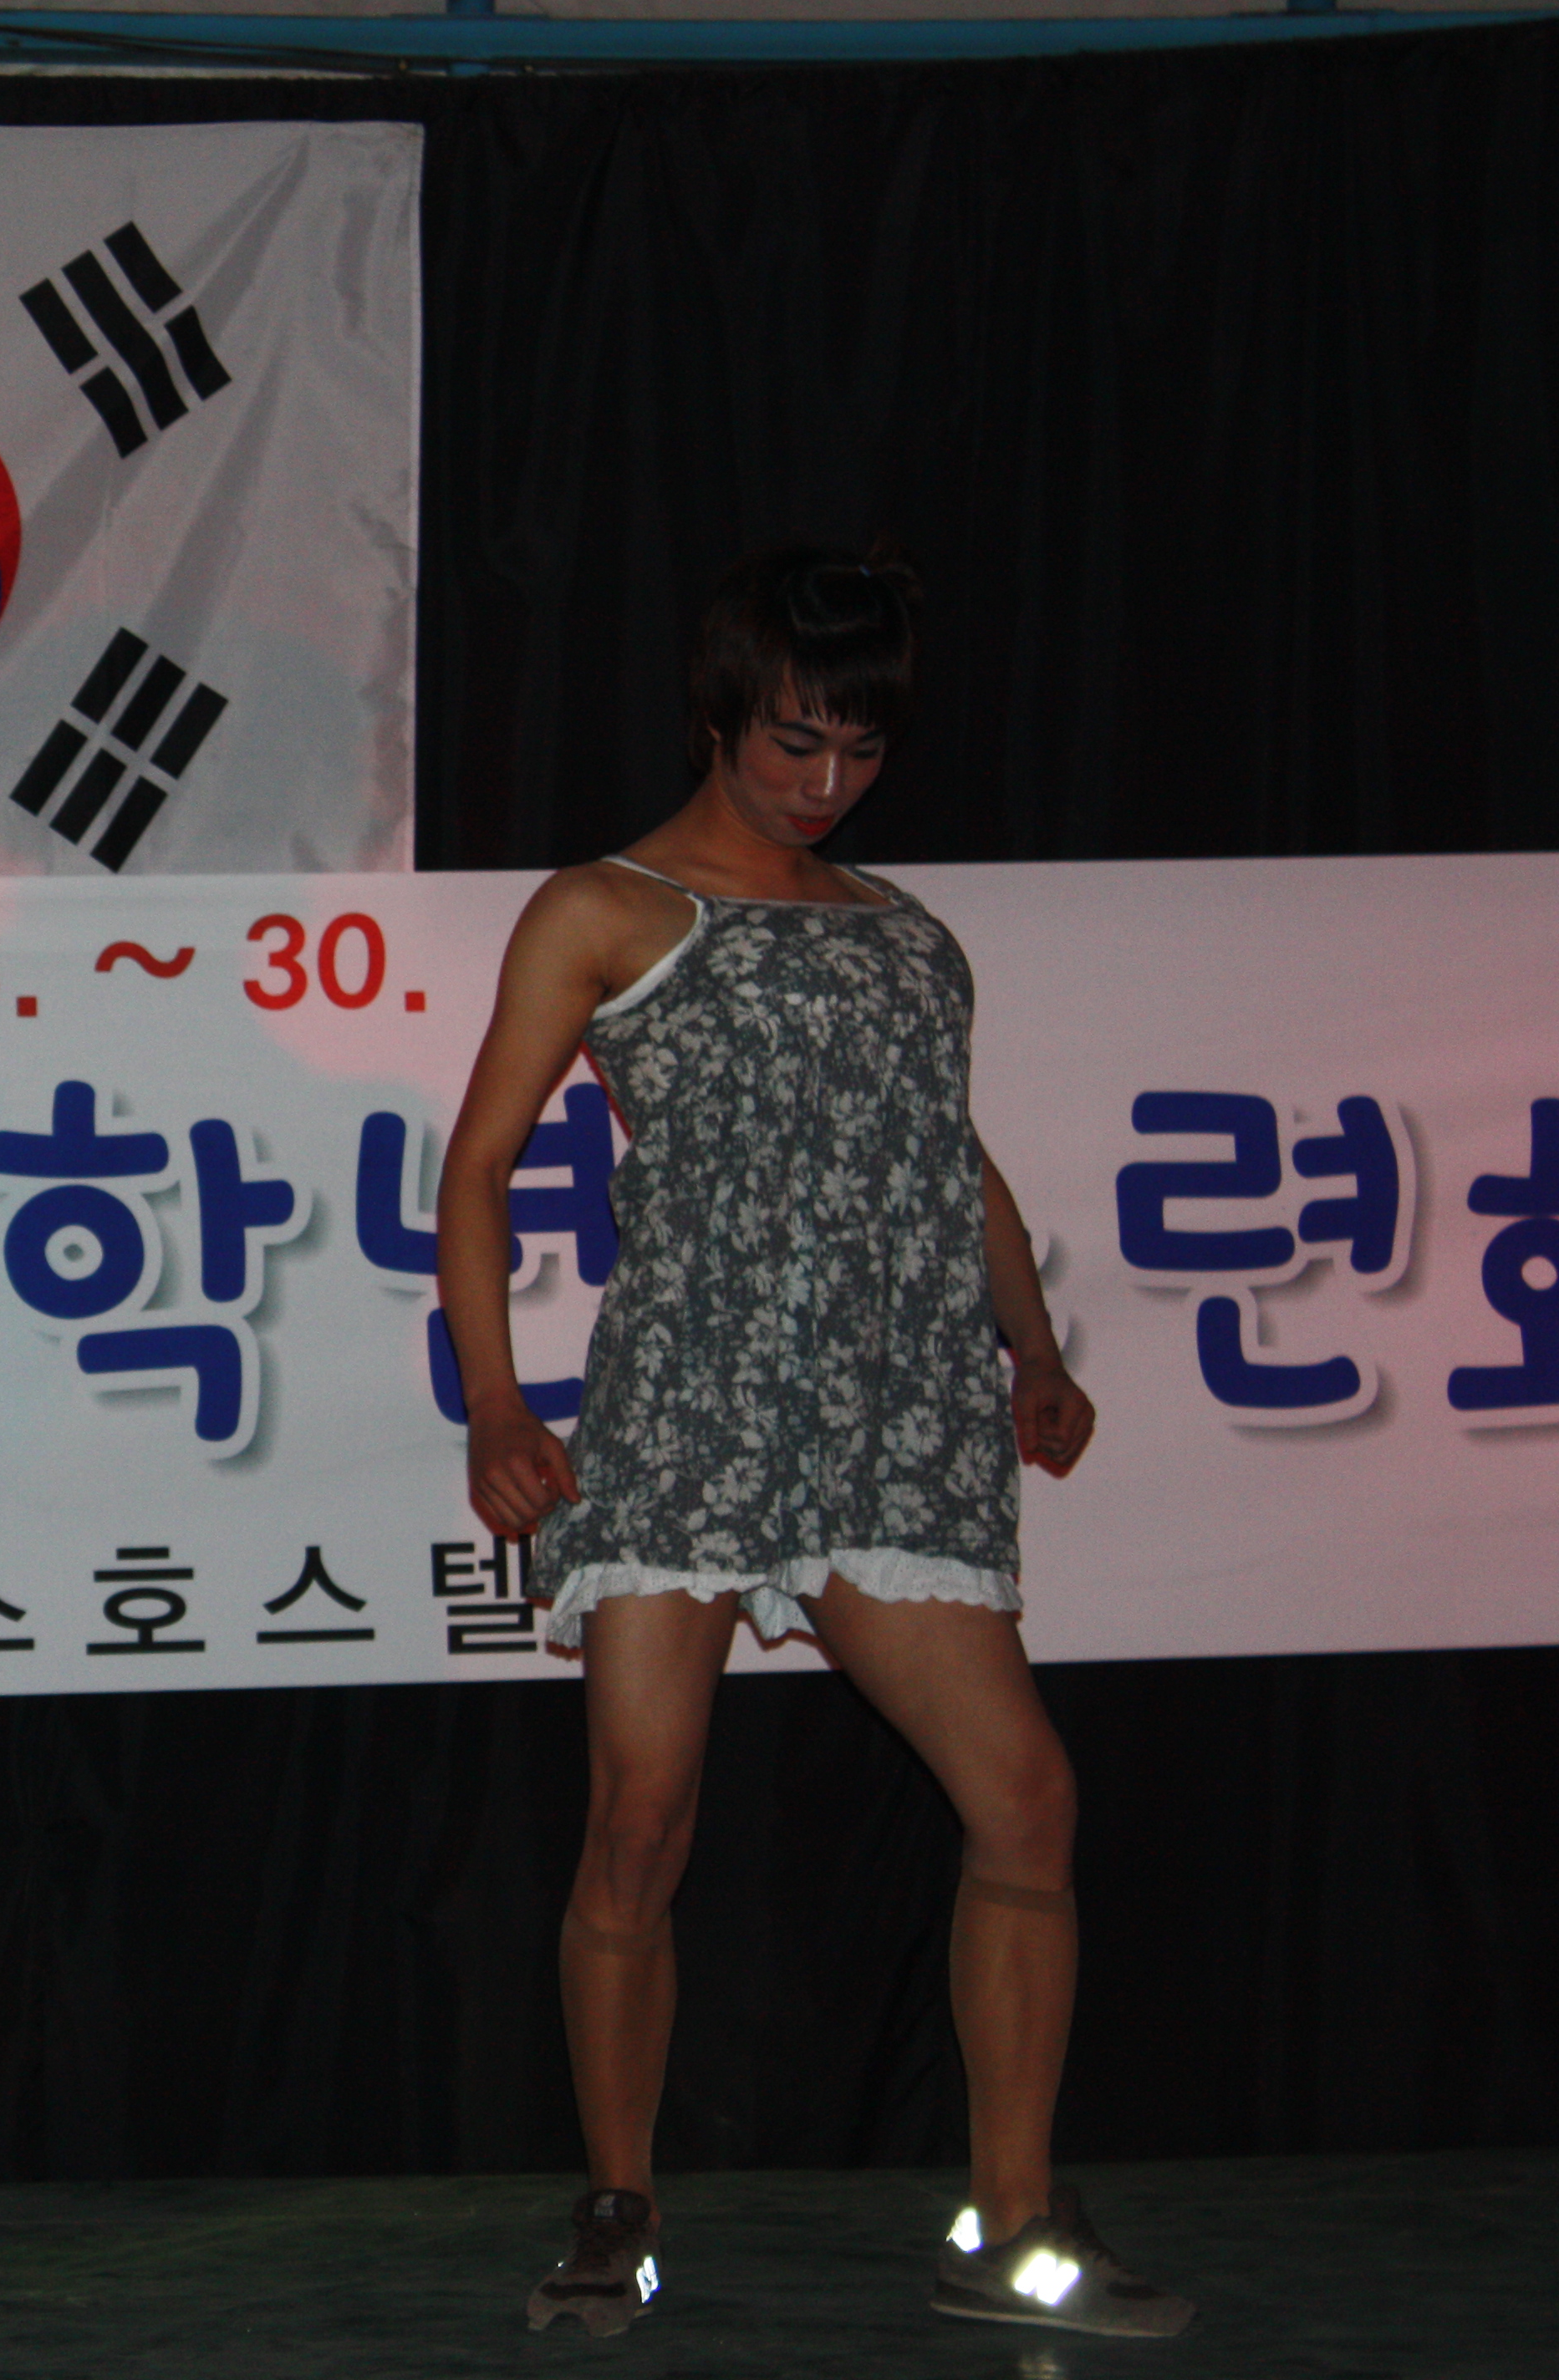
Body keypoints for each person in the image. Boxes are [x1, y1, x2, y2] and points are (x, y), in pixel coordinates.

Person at [434, 547, 1189, 2342]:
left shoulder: (906, 931)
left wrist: (1033, 1345)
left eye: (859, 747)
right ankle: (619, 2204)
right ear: (721, 717)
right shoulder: (605, 906)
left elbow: (951, 1156)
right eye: (795, 741)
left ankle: (1014, 2217)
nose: (826, 779)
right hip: (692, 1403)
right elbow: (480, 1164)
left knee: (1028, 1799)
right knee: (641, 1820)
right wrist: (497, 1401)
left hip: (891, 1417)